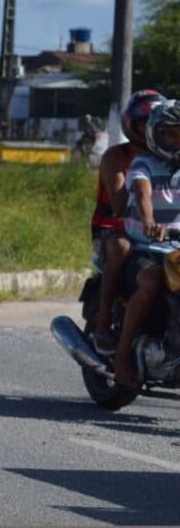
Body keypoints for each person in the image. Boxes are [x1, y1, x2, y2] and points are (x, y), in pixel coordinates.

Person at [113, 99, 180, 389]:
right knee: (151, 282)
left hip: (177, 252)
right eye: (171, 133)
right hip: (148, 250)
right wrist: (150, 221)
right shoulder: (144, 163)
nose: (177, 140)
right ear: (156, 134)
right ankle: (122, 356)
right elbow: (142, 192)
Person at [91, 90, 164, 355]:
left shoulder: (169, 157)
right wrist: (141, 174)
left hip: (161, 232)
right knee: (121, 248)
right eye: (144, 125)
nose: (149, 132)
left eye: (156, 126)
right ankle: (102, 319)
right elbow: (121, 205)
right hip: (115, 225)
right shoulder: (116, 157)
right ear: (131, 125)